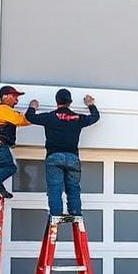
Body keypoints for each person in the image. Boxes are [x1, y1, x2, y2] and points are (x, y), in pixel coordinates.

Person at [25, 89, 100, 217]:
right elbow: (95, 117)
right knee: (73, 188)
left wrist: (32, 106)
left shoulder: (50, 117)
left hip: (54, 157)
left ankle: (56, 215)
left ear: (57, 101)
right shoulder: (78, 118)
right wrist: (90, 104)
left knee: (55, 189)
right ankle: (75, 213)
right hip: (72, 158)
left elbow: (30, 117)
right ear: (70, 102)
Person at [0, 85, 31, 199]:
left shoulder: (3, 110)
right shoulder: (2, 109)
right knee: (10, 168)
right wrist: (32, 112)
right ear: (4, 96)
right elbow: (19, 120)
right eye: (14, 96)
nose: (17, 100)